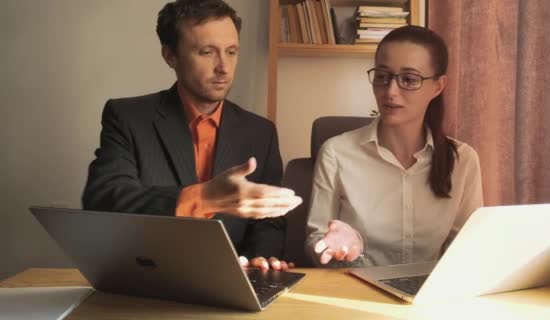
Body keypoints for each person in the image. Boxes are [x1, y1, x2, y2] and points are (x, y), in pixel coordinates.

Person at [82, 0, 302, 271]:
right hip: (148, 277)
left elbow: (269, 221)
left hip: (233, 283)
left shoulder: (261, 131)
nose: (223, 67)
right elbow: (103, 200)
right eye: (207, 52)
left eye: (232, 52)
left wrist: (260, 259)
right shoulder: (127, 117)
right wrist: (203, 197)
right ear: (170, 55)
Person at [306, 26, 483, 267]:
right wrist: (339, 247)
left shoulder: (463, 160)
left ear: (438, 86)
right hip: (356, 291)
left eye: (409, 80)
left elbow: (466, 248)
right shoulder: (336, 153)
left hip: (428, 295)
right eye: (382, 76)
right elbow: (315, 241)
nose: (390, 91)